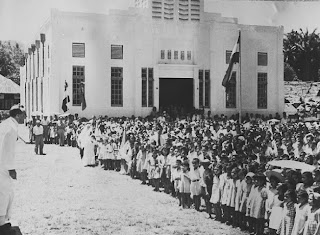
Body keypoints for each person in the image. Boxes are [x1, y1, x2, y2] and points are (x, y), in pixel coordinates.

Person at [0, 104, 25, 234]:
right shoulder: (11, 128)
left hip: (1, 163)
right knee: (5, 193)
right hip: (3, 166)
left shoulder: (6, 124)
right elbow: (7, 149)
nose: (25, 117)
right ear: (17, 115)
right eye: (23, 115)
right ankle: (1, 223)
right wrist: (11, 168)